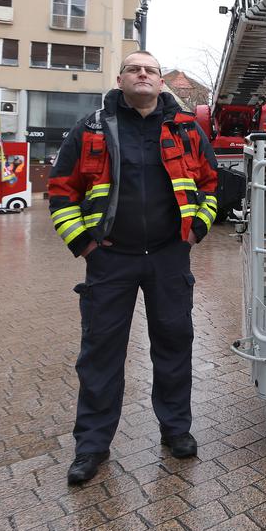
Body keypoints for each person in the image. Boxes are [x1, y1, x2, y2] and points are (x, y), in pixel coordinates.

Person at [48, 51, 219, 485]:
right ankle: (91, 445)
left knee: (174, 345)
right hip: (110, 259)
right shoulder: (91, 129)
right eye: (134, 69)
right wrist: (86, 245)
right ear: (120, 79)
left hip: (168, 255)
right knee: (100, 353)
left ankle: (176, 429)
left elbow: (210, 184)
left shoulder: (186, 129)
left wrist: (195, 231)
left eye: (151, 70)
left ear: (161, 82)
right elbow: (61, 190)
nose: (143, 74)